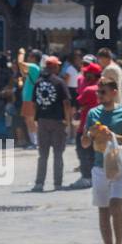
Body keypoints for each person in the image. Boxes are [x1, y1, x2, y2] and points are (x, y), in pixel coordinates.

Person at [80, 78, 122, 244]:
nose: (99, 95)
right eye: (98, 92)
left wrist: (114, 136)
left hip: (121, 165)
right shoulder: (93, 113)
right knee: (103, 210)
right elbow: (84, 143)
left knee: (116, 206)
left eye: (103, 92)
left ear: (114, 92)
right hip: (99, 167)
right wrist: (90, 135)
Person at [30, 56, 72, 192]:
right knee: (58, 153)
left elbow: (34, 103)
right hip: (57, 121)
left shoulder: (38, 82)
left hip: (42, 120)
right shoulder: (59, 82)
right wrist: (68, 120)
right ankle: (57, 184)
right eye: (57, 65)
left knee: (43, 154)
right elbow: (66, 103)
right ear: (54, 67)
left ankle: (39, 183)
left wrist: (36, 118)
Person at [68, 62, 102, 190]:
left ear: (92, 75)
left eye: (87, 73)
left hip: (86, 127)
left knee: (83, 152)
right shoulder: (104, 87)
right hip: (101, 127)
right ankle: (97, 177)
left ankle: (86, 178)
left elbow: (77, 103)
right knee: (96, 154)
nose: (84, 74)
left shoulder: (89, 89)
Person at [17, 48, 42, 147]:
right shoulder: (33, 68)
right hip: (28, 99)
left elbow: (20, 62)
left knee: (31, 120)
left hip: (30, 99)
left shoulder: (34, 66)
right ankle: (34, 141)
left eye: (30, 55)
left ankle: (36, 142)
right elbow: (22, 69)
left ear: (34, 58)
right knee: (28, 120)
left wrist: (21, 52)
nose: (28, 57)